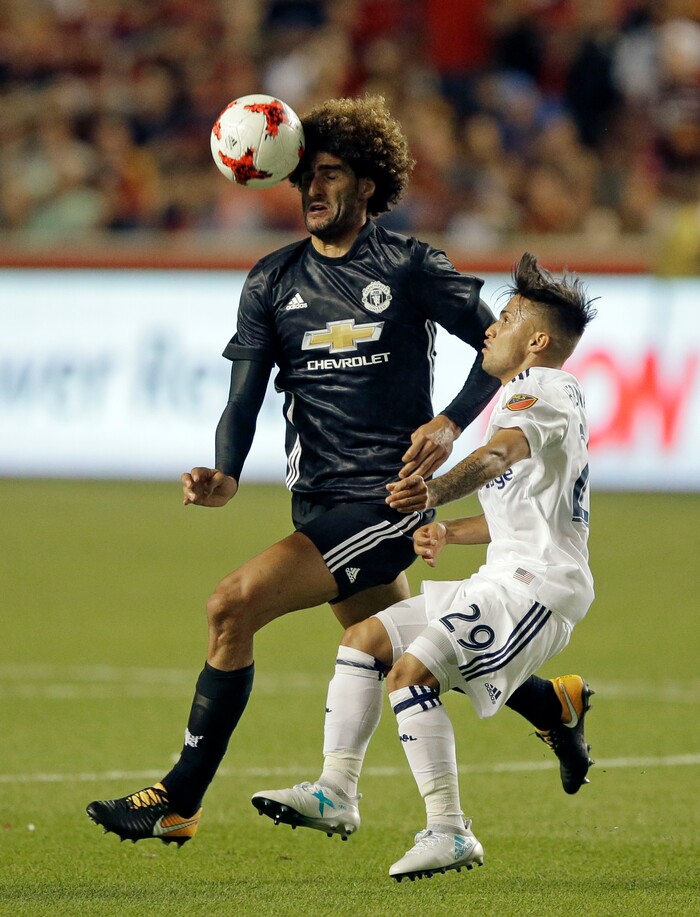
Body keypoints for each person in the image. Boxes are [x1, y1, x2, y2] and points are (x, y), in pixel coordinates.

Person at [86, 95, 500, 845]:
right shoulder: (272, 280)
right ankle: (553, 705)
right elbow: (243, 396)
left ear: (369, 185)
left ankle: (178, 798)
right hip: (317, 504)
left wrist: (449, 422)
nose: (314, 188)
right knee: (397, 642)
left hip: (389, 500)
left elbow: (500, 342)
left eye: (332, 173)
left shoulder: (409, 266)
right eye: (306, 175)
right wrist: (224, 471)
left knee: (230, 605)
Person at [251, 252, 597, 881]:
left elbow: (496, 457)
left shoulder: (543, 389)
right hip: (505, 575)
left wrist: (433, 491)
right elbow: (519, 516)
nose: (491, 328)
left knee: (411, 675)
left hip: (537, 591)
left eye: (510, 317)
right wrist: (449, 531)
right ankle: (336, 790)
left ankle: (449, 830)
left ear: (538, 341)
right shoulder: (531, 398)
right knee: (365, 639)